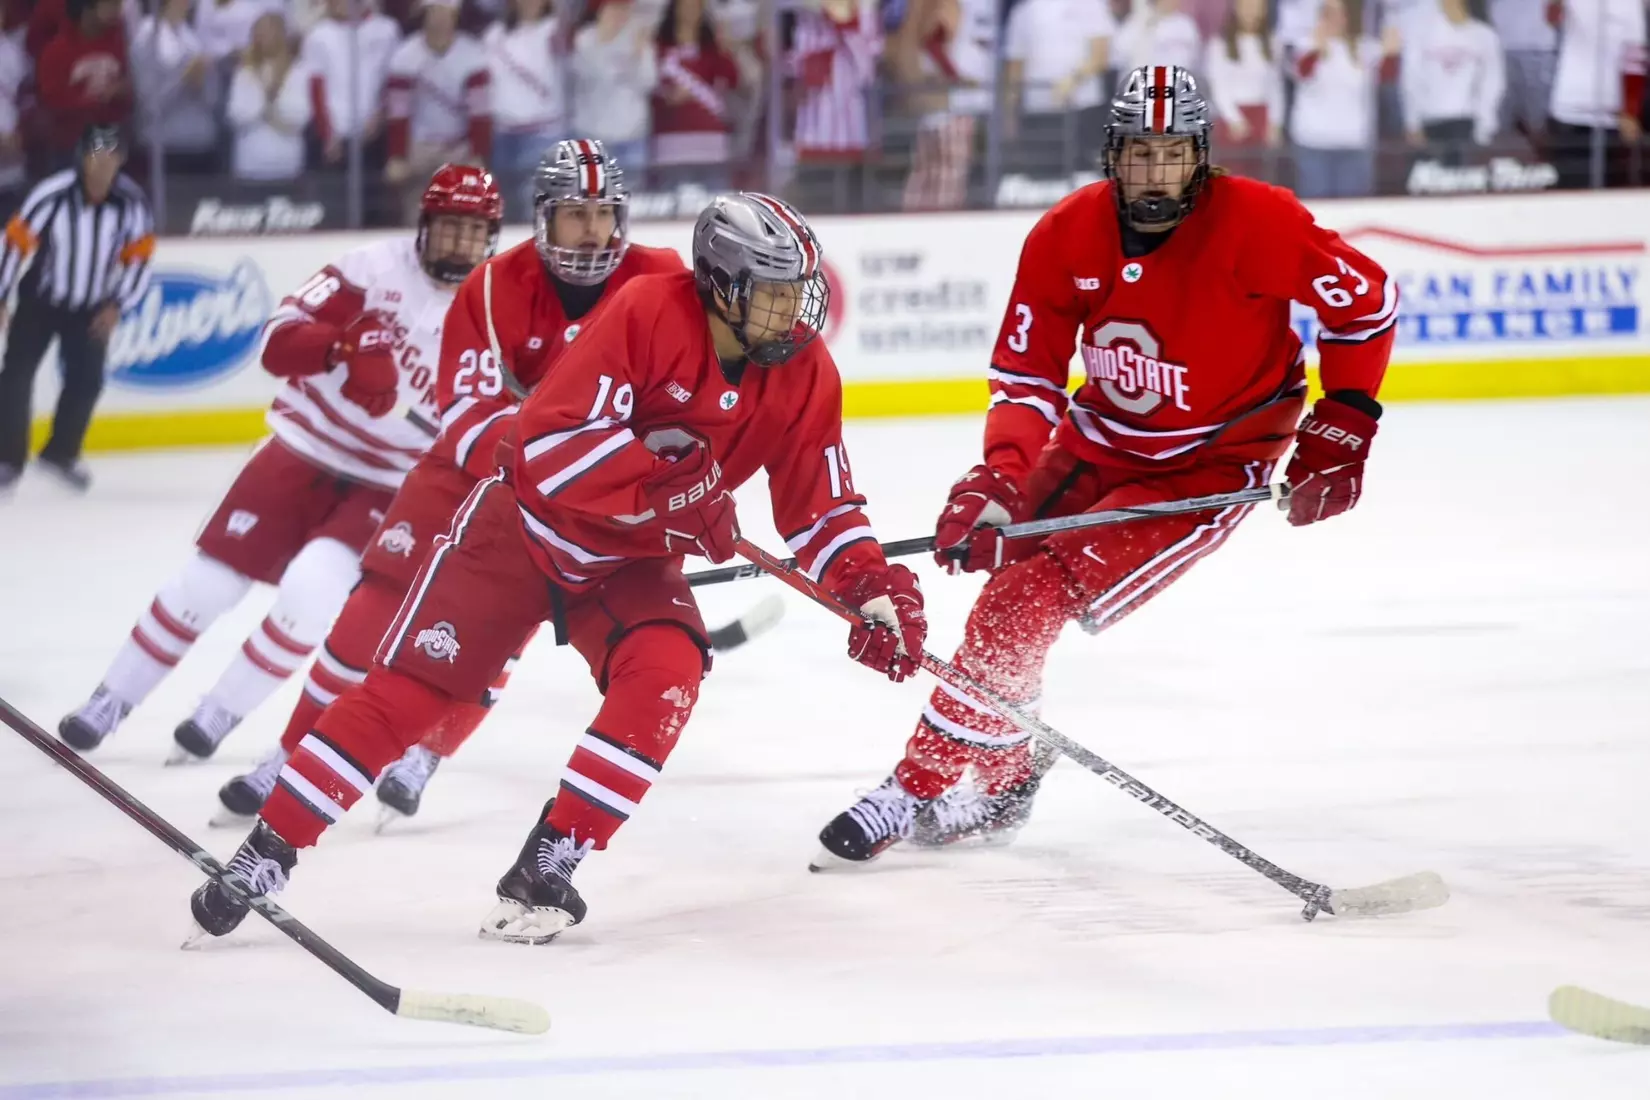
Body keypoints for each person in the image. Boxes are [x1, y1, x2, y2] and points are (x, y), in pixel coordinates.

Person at [186, 192, 928, 946]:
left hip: (629, 563)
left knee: (668, 670)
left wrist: (868, 588)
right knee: (412, 692)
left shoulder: (807, 372)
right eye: (773, 291)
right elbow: (546, 443)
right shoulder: (647, 310)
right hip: (522, 530)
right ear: (722, 284)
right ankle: (269, 847)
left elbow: (822, 508)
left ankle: (551, 858)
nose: (794, 311)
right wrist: (661, 487)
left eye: (798, 290)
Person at [813, 66, 1397, 864]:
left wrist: (1346, 421)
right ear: (1111, 155)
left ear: (1201, 157)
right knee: (1006, 598)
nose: (1155, 173)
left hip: (1211, 465)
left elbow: (1366, 303)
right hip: (1097, 440)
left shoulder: (1262, 221)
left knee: (1021, 604)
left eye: (1173, 154)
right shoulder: (1066, 233)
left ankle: (913, 787)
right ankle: (1006, 781)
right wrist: (1000, 478)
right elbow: (1027, 378)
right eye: (1139, 154)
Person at [212, 139, 685, 826]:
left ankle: (427, 751)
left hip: (572, 497)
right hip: (474, 473)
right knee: (369, 614)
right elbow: (467, 424)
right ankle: (290, 753)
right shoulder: (492, 287)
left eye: (604, 213)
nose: (592, 230)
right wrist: (565, 463)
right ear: (544, 216)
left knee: (500, 625)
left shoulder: (661, 279)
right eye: (576, 214)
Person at [55, 166, 502, 759]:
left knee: (309, 595)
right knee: (207, 582)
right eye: (450, 227)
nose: (461, 243)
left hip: (392, 484)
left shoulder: (497, 308)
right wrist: (339, 347)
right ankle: (110, 700)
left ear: (491, 237)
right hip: (301, 448)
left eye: (474, 231)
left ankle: (217, 714)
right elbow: (276, 341)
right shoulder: (370, 268)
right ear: (424, 224)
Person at [0, 124, 152, 495]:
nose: (103, 163)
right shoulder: (51, 195)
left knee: (87, 380)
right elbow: (14, 246)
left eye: (111, 155)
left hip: (91, 307)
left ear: (121, 159)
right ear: (82, 158)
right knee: (15, 377)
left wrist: (118, 304)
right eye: (96, 155)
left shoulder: (132, 204)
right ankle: (7, 460)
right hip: (40, 302)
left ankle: (60, 454)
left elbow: (139, 260)